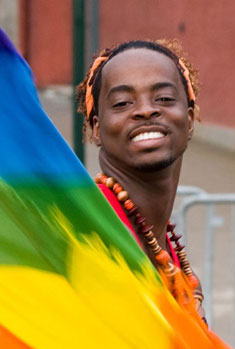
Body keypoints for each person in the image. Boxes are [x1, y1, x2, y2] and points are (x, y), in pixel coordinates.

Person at [76, 40, 205, 318]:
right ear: (97, 129)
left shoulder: (165, 247)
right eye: (122, 103)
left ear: (190, 119)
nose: (146, 110)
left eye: (164, 99)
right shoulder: (92, 235)